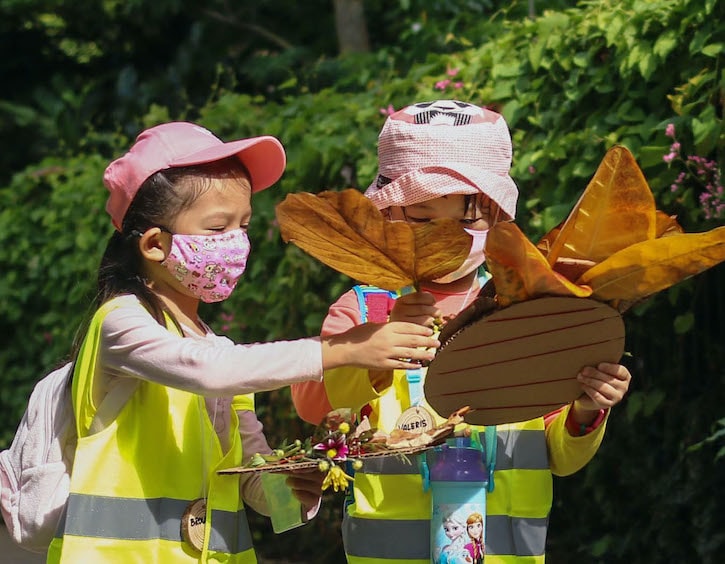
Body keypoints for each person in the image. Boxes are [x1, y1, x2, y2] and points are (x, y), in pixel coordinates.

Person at [47, 121, 440, 563]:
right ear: (155, 244)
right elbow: (207, 371)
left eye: (244, 225)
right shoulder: (119, 324)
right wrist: (343, 349)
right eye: (218, 229)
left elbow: (253, 483)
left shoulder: (221, 350)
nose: (237, 242)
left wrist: (295, 486)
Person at [291, 100, 632, 563]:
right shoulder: (363, 311)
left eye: (468, 219)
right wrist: (372, 350)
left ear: (495, 214)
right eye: (425, 218)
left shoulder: (530, 312)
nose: (447, 236)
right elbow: (312, 406)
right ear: (389, 214)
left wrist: (589, 405)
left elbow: (561, 457)